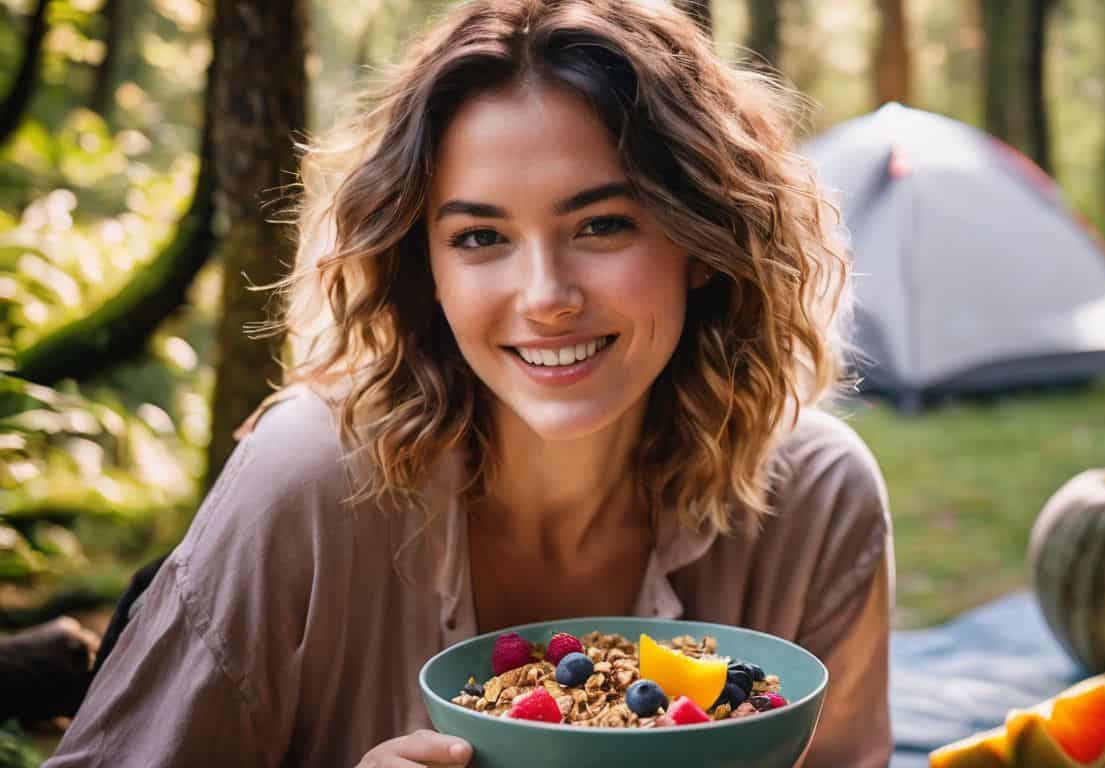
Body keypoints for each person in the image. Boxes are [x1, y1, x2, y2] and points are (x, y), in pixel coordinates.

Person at [47, 0, 893, 765]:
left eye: (602, 225)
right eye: (481, 238)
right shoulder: (305, 483)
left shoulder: (814, 503)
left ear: (702, 243)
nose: (547, 297)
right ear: (426, 270)